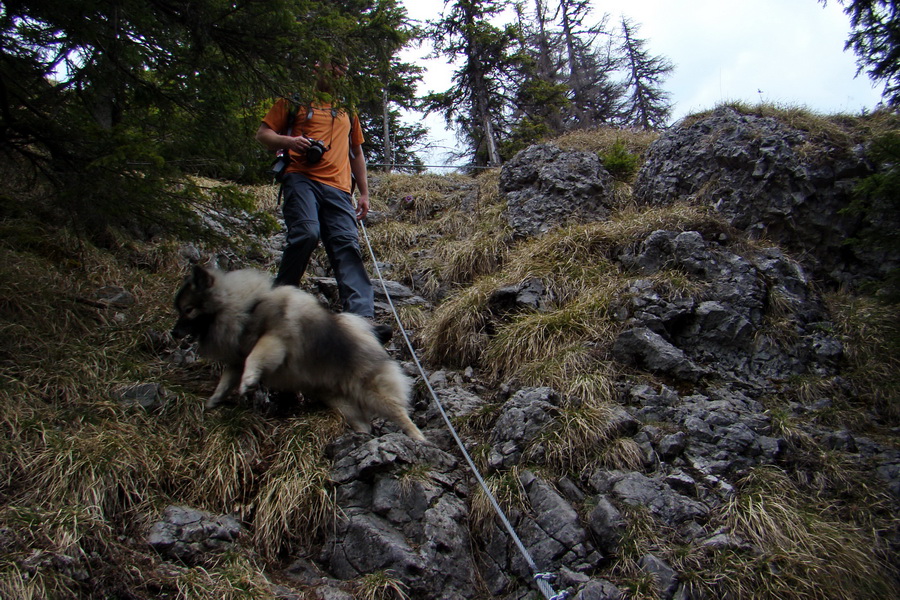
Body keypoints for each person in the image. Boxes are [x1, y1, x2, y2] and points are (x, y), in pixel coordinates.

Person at [256, 60, 391, 343]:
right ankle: (276, 309)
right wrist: (290, 142)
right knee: (306, 234)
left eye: (340, 70)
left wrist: (364, 193)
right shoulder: (294, 101)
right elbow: (264, 135)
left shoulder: (347, 110)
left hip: (340, 190)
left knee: (347, 248)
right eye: (329, 68)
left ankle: (362, 325)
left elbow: (356, 153)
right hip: (300, 179)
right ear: (314, 68)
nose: (336, 74)